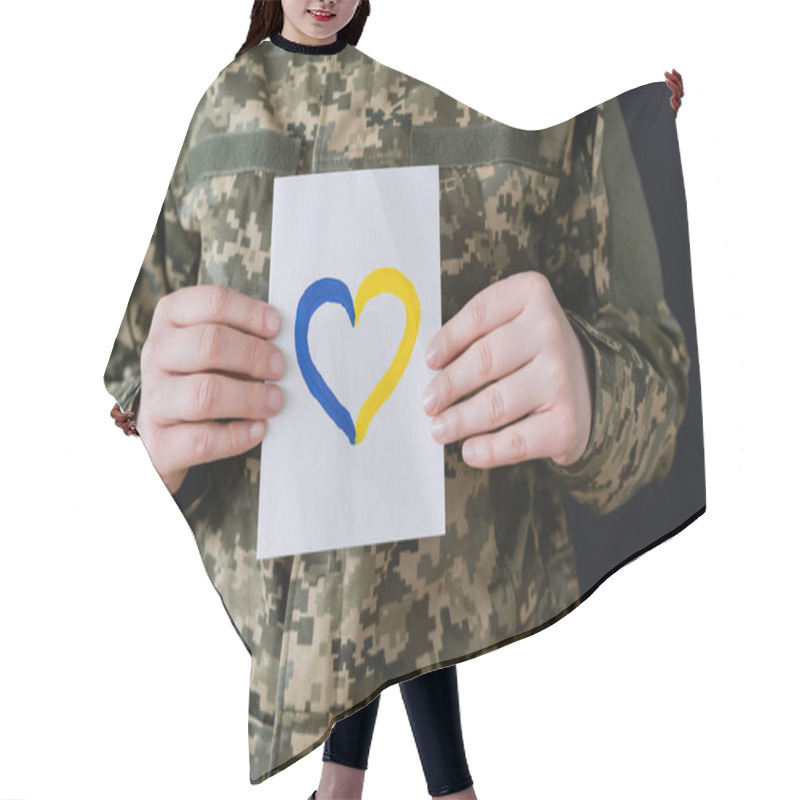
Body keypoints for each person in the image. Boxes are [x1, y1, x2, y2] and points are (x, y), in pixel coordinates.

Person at [104, 0, 691, 789]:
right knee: (356, 605)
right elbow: (161, 297)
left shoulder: (412, 98)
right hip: (293, 474)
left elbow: (542, 167)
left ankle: (394, 787)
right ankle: (398, 787)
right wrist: (154, 407)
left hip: (421, 464)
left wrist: (633, 131)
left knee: (403, 602)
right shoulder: (226, 104)